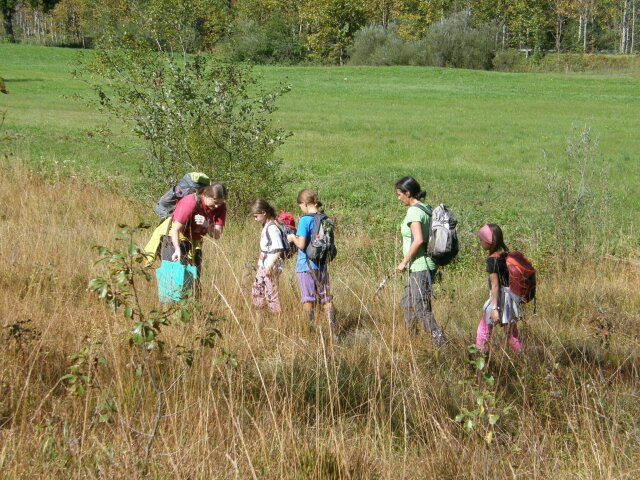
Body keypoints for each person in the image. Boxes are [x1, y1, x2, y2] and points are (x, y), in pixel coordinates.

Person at [394, 176, 445, 347]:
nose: (398, 198)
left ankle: (441, 344)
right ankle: (412, 343)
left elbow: (418, 240)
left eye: (399, 194)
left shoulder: (414, 211)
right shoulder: (426, 208)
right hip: (420, 266)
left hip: (420, 266)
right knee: (407, 304)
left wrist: (403, 262)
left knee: (421, 308)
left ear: (408, 193)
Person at [286, 189, 337, 341]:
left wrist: (292, 238)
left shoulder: (305, 220)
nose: (300, 208)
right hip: (321, 265)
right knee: (326, 299)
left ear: (306, 203)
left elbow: (301, 244)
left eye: (300, 205)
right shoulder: (325, 218)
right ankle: (333, 332)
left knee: (307, 299)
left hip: (305, 266)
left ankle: (311, 333)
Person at [476, 223, 523, 354]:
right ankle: (523, 359)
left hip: (499, 298)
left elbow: (495, 285)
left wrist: (494, 308)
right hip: (511, 297)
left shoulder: (492, 260)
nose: (480, 243)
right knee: (511, 335)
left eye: (482, 240)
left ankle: (481, 358)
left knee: (483, 331)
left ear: (490, 242)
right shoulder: (507, 255)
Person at [167, 183, 227, 280]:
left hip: (195, 245)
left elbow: (216, 235)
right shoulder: (191, 202)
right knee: (175, 281)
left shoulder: (221, 207)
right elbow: (175, 229)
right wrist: (177, 249)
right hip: (175, 240)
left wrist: (207, 225)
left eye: (220, 203)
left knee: (194, 281)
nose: (216, 206)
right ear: (205, 195)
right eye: (215, 202)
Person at [250, 199, 283, 314]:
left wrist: (270, 266)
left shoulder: (272, 228)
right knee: (257, 289)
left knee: (271, 293)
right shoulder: (266, 226)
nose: (255, 219)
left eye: (256, 216)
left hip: (270, 266)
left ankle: (276, 316)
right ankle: (260, 314)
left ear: (263, 213)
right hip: (263, 265)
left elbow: (278, 249)